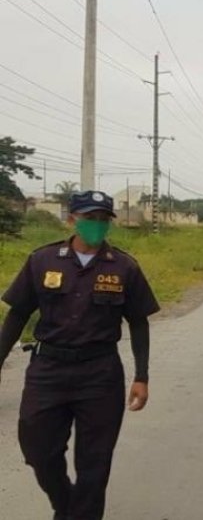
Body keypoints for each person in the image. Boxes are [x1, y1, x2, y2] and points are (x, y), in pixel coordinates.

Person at [0, 190, 160, 520]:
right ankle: (66, 505)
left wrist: (141, 376)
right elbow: (17, 315)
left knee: (95, 463)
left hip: (100, 375)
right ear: (72, 219)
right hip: (48, 370)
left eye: (103, 220)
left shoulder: (124, 267)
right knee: (38, 450)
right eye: (90, 218)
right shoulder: (42, 260)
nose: (96, 226)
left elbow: (139, 323)